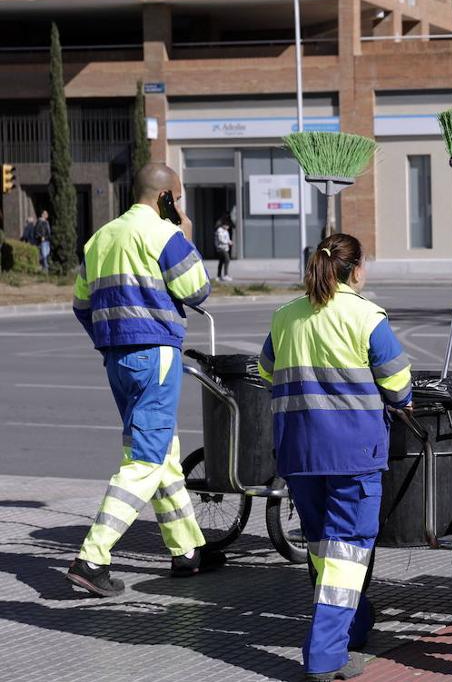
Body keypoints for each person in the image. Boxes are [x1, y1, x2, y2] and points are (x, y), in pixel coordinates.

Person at [257, 233, 411, 682]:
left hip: (299, 452)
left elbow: (266, 370)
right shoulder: (364, 316)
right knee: (346, 551)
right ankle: (325, 656)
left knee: (325, 546)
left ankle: (355, 624)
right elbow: (399, 385)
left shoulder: (286, 316)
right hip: (353, 454)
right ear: (356, 268)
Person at [65, 163, 219, 598]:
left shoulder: (101, 237)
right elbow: (197, 288)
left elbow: (81, 305)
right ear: (167, 197)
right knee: (146, 462)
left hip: (118, 360)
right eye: (180, 198)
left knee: (160, 452)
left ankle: (187, 550)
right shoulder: (163, 235)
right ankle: (91, 559)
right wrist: (185, 234)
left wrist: (111, 340)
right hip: (155, 356)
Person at [214, 216, 234, 282]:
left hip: (225, 248)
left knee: (221, 262)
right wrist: (228, 242)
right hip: (220, 248)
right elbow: (221, 239)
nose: (228, 227)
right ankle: (225, 275)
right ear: (224, 225)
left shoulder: (226, 231)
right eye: (227, 225)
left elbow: (227, 239)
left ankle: (218, 276)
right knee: (227, 259)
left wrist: (230, 241)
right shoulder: (219, 230)